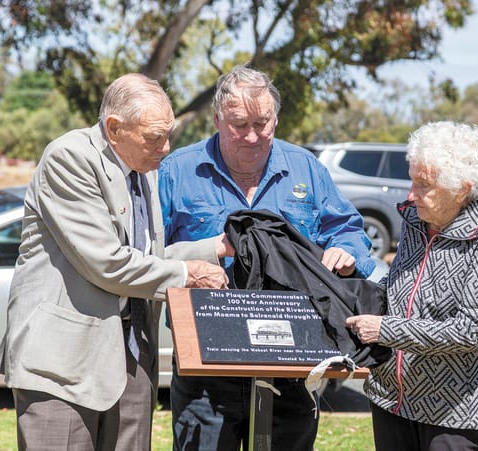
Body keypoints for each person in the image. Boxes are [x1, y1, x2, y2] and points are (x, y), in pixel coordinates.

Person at [0, 73, 230, 450]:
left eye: (169, 135)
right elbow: (105, 262)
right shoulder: (69, 157)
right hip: (62, 366)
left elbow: (144, 258)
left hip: (131, 354)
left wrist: (211, 250)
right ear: (114, 128)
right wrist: (186, 275)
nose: (166, 148)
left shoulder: (142, 171)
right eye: (155, 137)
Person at [158, 64, 376, 450]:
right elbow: (149, 253)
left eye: (263, 122)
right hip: (206, 363)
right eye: (239, 124)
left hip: (293, 359)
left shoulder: (305, 167)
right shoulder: (178, 170)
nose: (253, 135)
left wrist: (347, 250)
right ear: (217, 119)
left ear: (276, 118)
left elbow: (348, 229)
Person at [346, 121, 478, 450]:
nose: (411, 194)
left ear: (461, 189)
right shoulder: (416, 221)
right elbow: (399, 295)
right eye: (411, 180)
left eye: (424, 185)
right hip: (391, 400)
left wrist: (386, 331)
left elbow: (470, 331)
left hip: (454, 415)